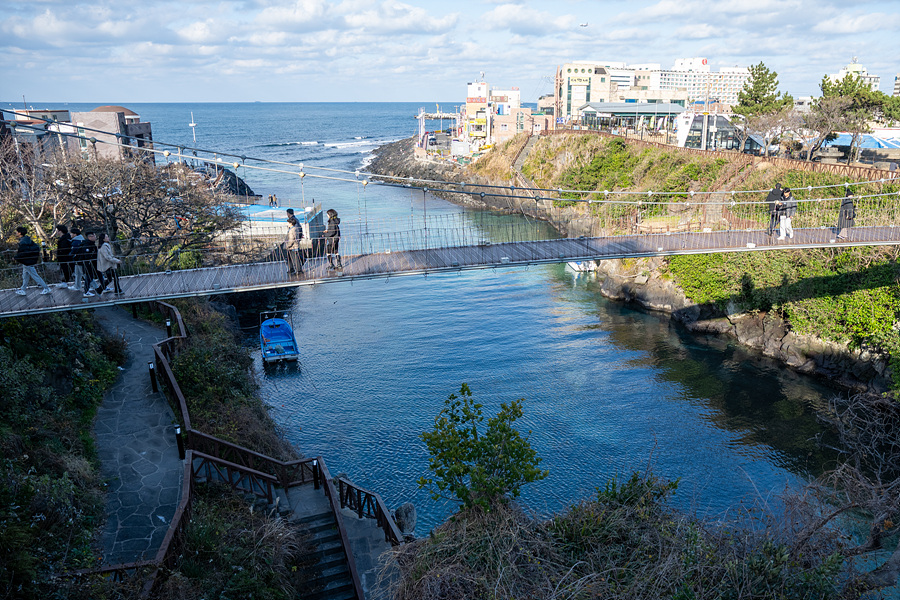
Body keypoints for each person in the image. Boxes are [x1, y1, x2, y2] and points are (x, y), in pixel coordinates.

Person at [14, 226, 51, 296]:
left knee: (34, 275)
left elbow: (22, 252)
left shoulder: (23, 242)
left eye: (17, 232)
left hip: (27, 261)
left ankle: (46, 288)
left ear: (20, 233)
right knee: (25, 275)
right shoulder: (28, 240)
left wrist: (16, 257)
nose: (16, 233)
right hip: (28, 261)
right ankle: (23, 289)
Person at [77, 232, 99, 297]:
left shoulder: (91, 244)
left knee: (90, 277)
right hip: (88, 264)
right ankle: (86, 291)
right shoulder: (87, 245)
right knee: (89, 277)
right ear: (90, 237)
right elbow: (87, 255)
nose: (95, 237)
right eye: (93, 236)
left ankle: (88, 289)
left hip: (91, 263)